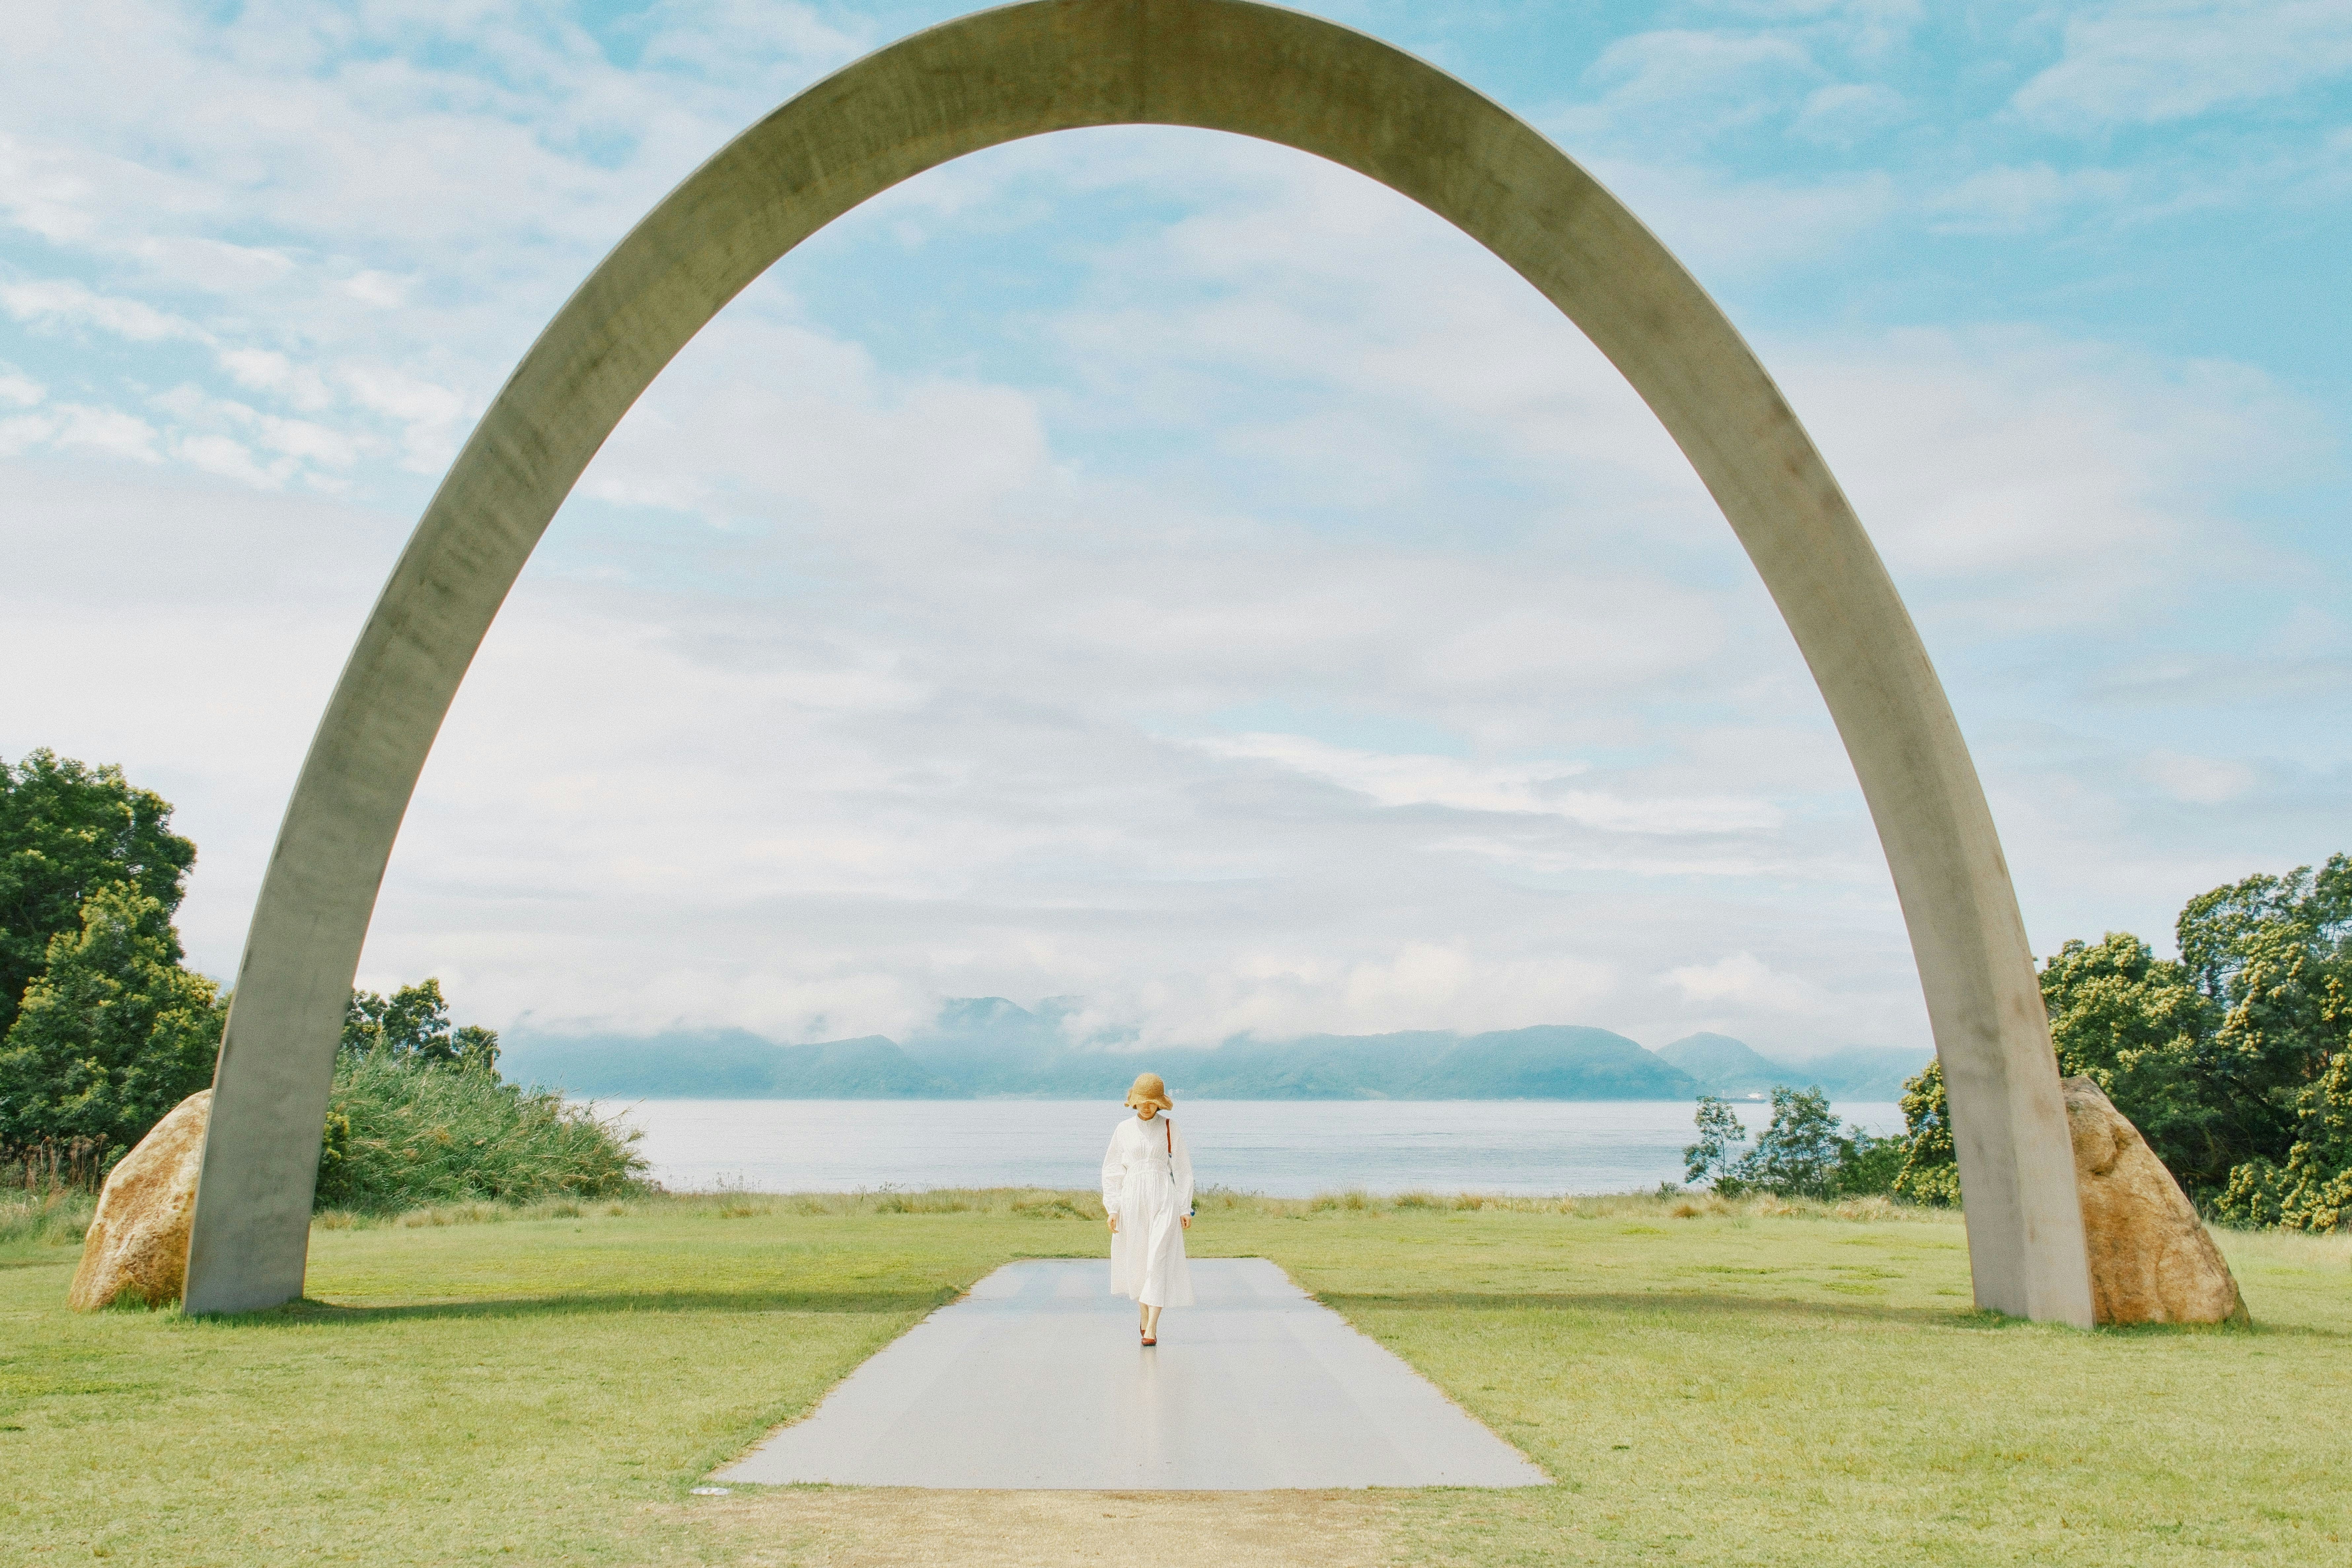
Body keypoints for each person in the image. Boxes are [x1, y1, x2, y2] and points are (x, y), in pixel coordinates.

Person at [1101, 1072, 1194, 1345]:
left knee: (1158, 1258)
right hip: (1132, 1198)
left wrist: (1184, 1208)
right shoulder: (1123, 1129)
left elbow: (1183, 1169)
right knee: (1138, 1260)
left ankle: (1152, 1327)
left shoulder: (1170, 1127)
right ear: (1134, 1102)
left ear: (1160, 1104)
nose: (1147, 1106)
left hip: (1163, 1196)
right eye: (1142, 1101)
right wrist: (1113, 1208)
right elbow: (1112, 1171)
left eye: (1152, 1102)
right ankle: (1144, 1316)